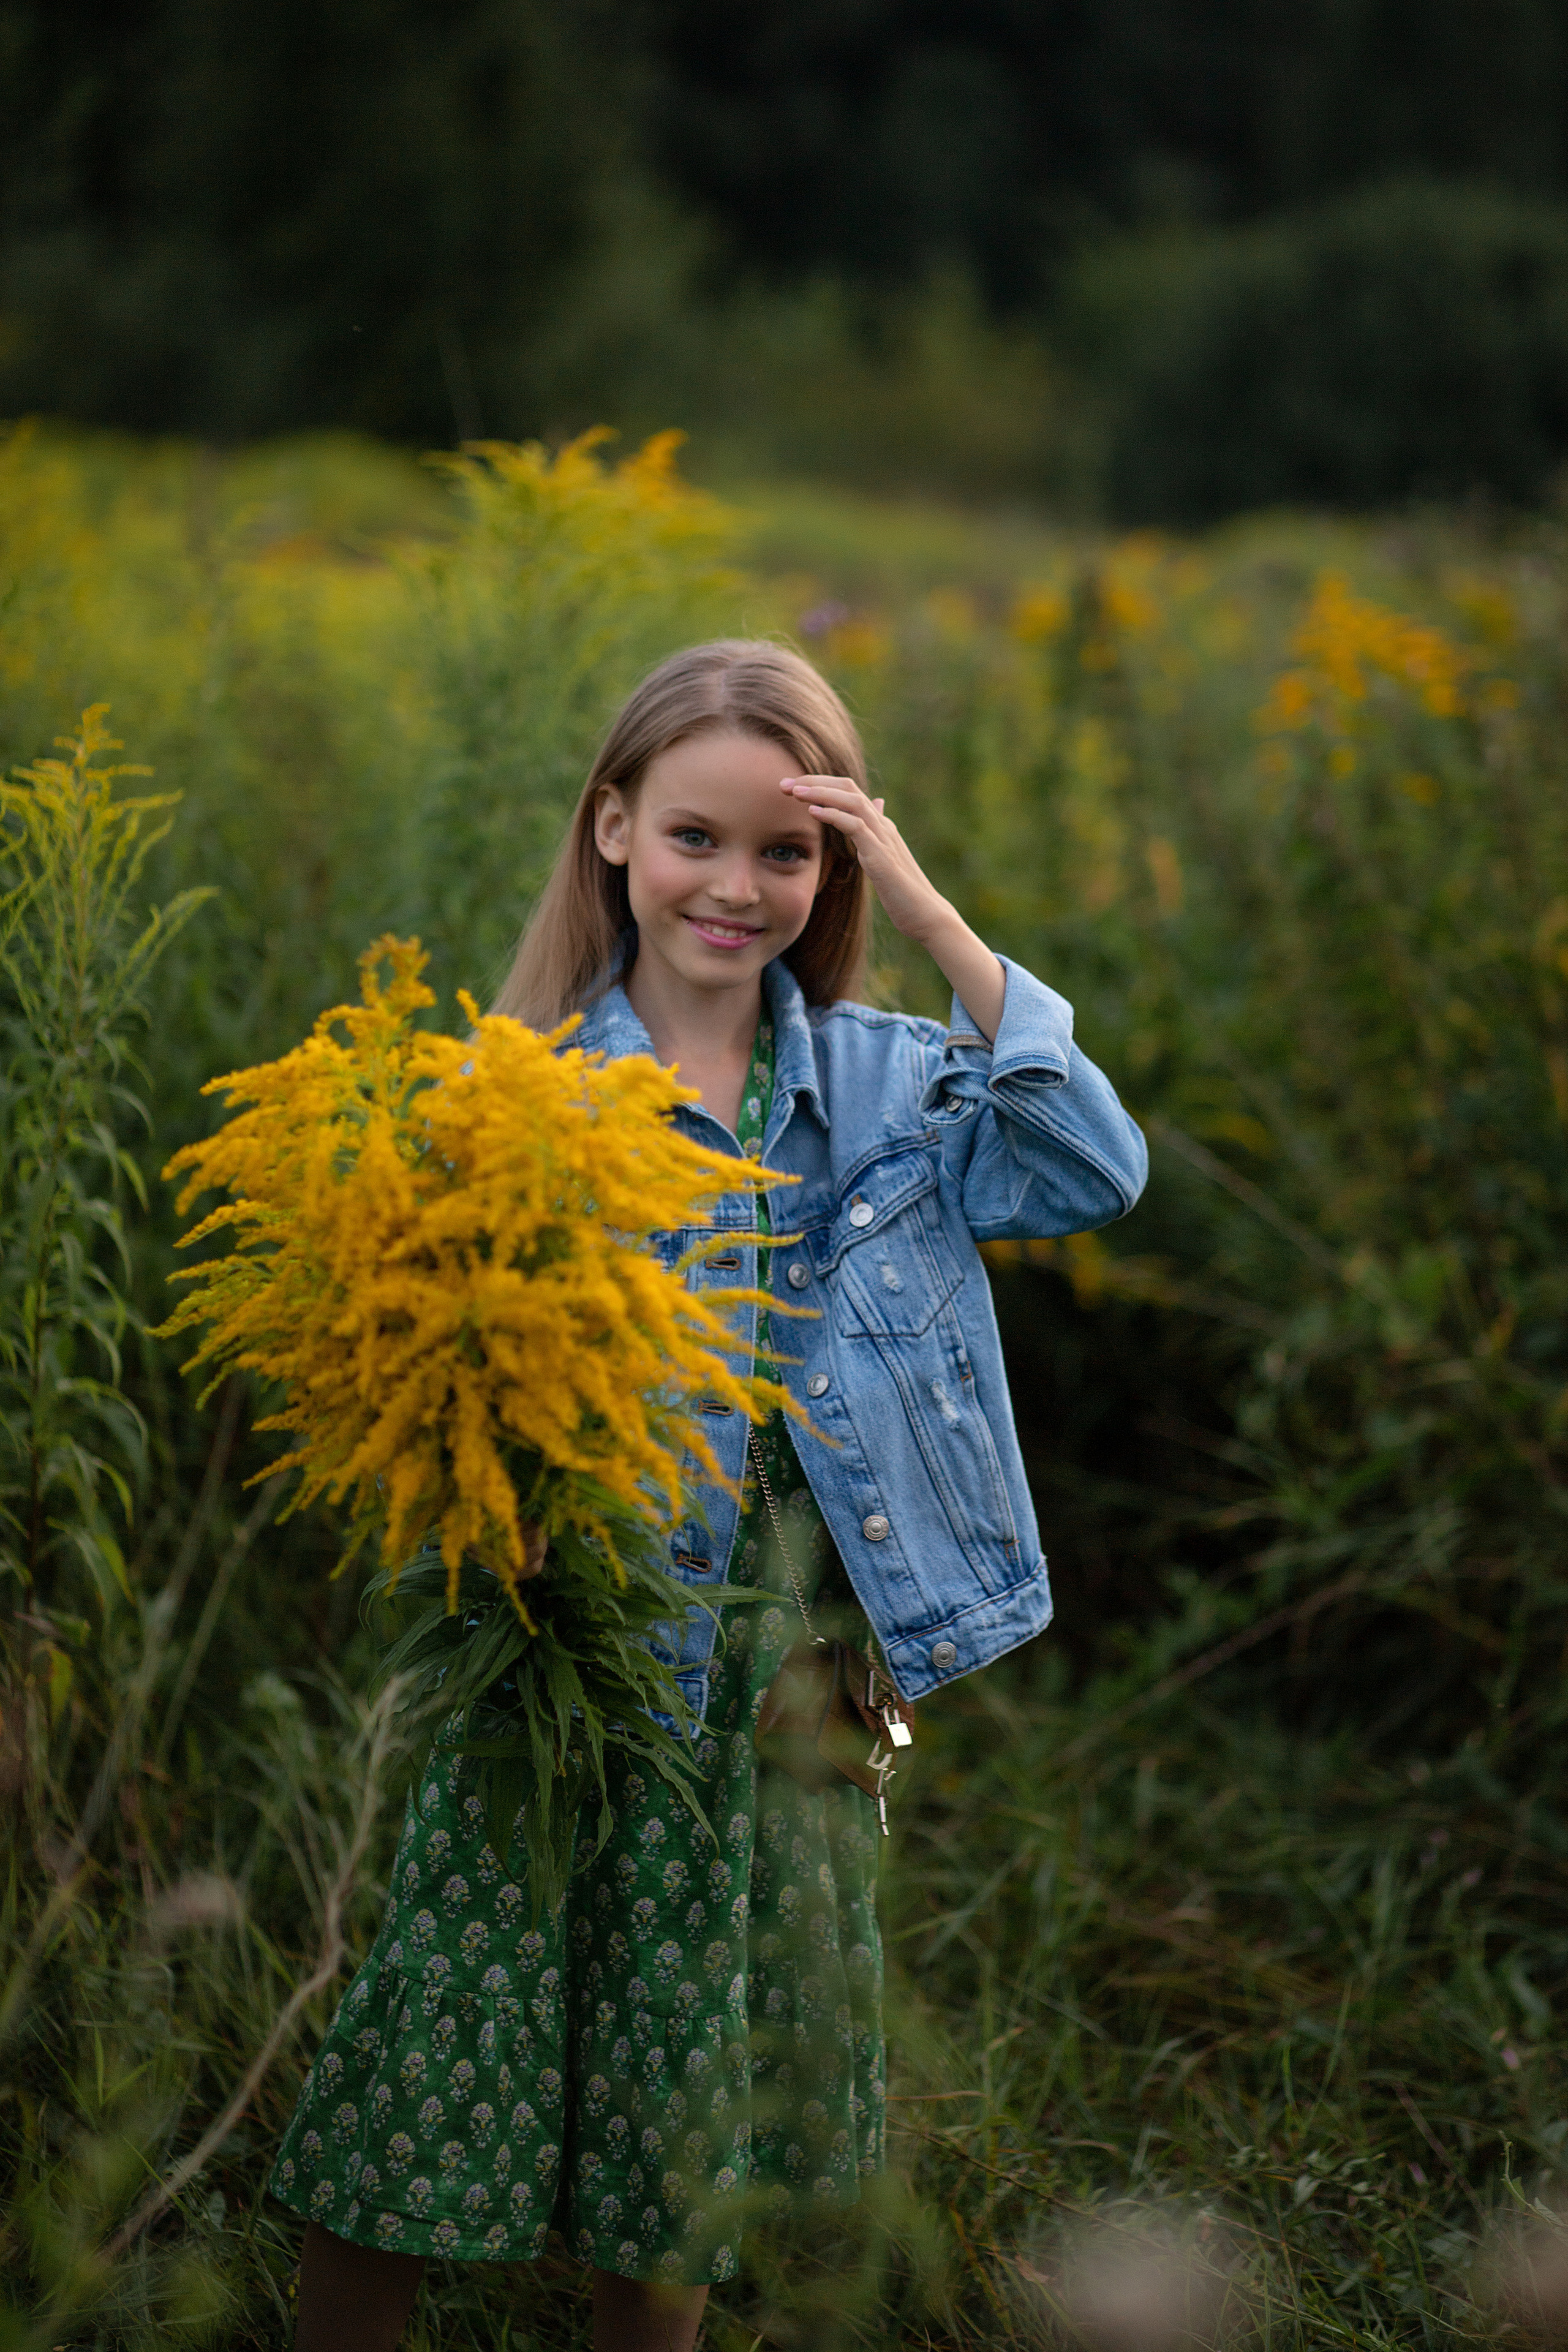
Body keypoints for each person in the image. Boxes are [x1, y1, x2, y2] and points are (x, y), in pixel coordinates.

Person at [273, 639, 1147, 2351]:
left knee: (689, 2105)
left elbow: (1092, 1162)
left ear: (833, 871)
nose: (735, 888)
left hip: (786, 1674)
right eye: (694, 837)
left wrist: (926, 899)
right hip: (568, 1657)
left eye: (786, 851)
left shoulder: (894, 1084)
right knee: (427, 2053)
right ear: (612, 830)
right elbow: (406, 1380)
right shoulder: (510, 1095)